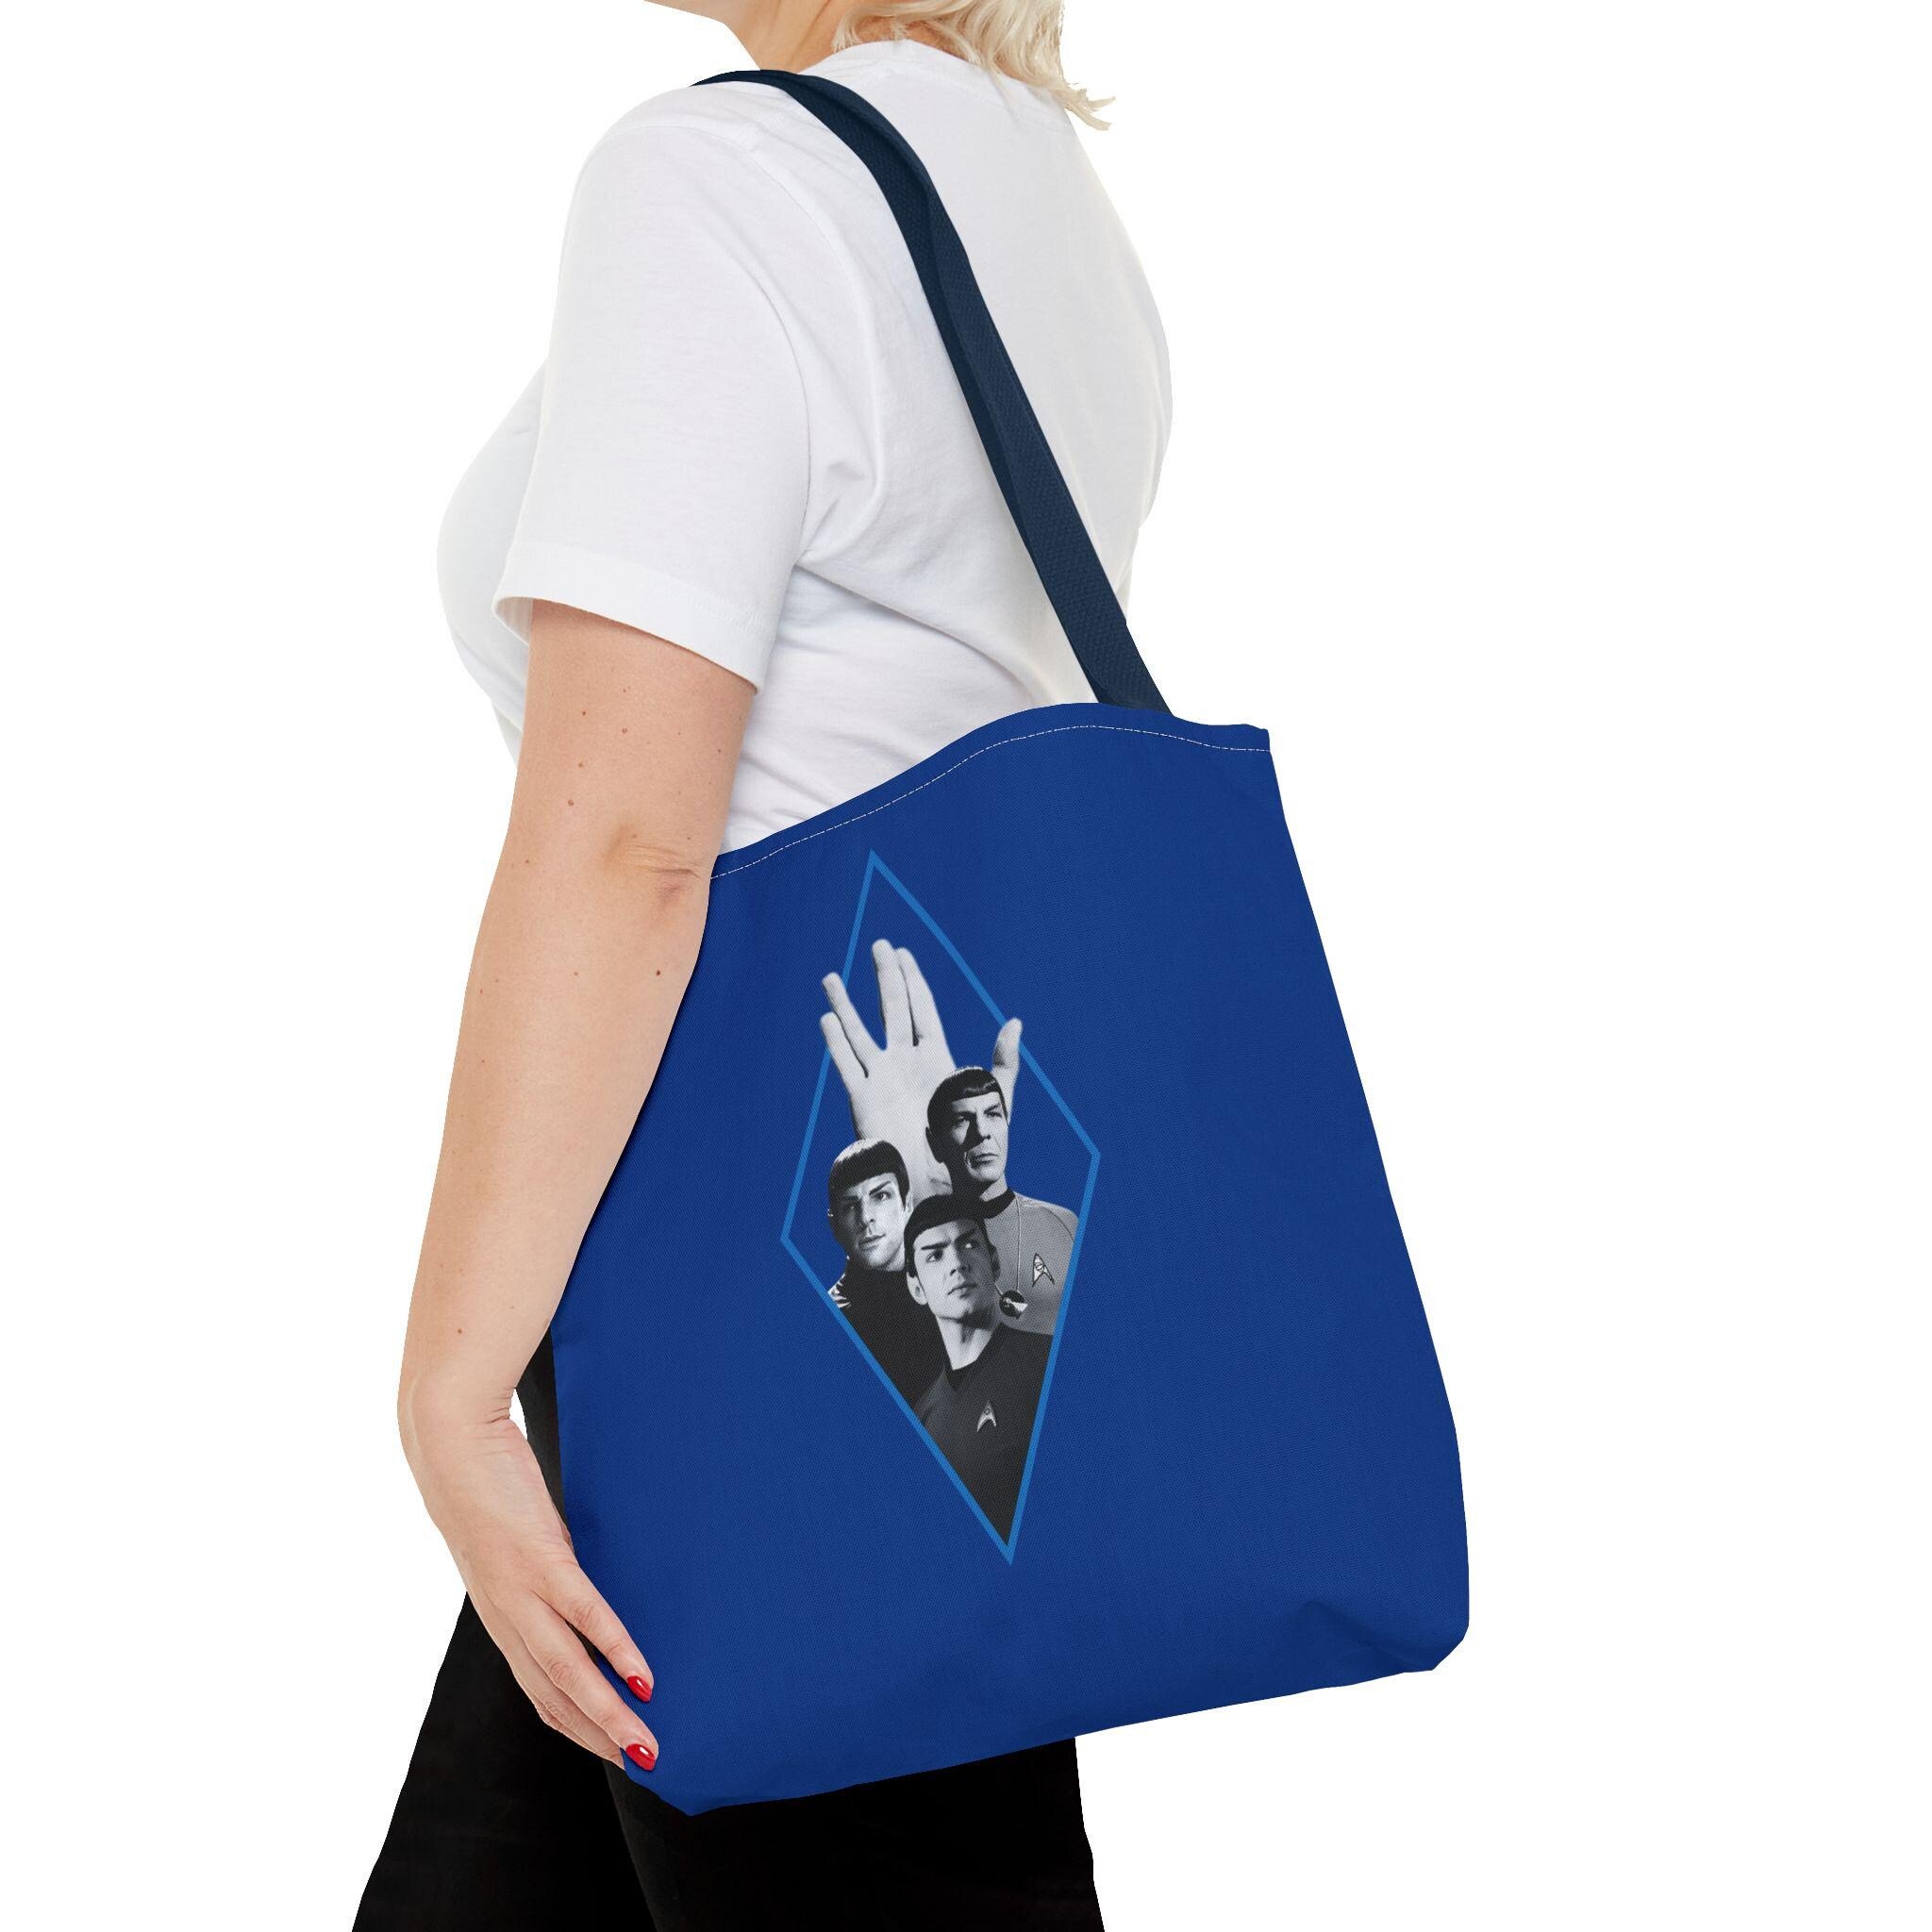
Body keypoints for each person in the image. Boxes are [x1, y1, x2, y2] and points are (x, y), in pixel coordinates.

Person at [360, 3, 1164, 1924]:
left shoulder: (722, 179)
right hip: (903, 1272)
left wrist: (452, 1385)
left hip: (756, 1298)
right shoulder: (1029, 185)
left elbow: (628, 846)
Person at [904, 1194, 1054, 1539]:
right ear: (917, 1288)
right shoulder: (922, 1419)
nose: (957, 1263)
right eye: (935, 1255)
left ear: (994, 1261)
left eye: (969, 1244)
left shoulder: (1047, 1365)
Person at [926, 1066, 1080, 1336]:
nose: (982, 1132)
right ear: (935, 1144)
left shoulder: (1065, 1224)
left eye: (993, 1114)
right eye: (962, 1120)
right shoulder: (926, 1249)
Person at [824, 1137, 944, 1404]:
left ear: (907, 1204)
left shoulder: (946, 1287)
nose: (865, 1217)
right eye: (850, 1205)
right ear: (834, 1226)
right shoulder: (832, 1323)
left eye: (880, 1196)